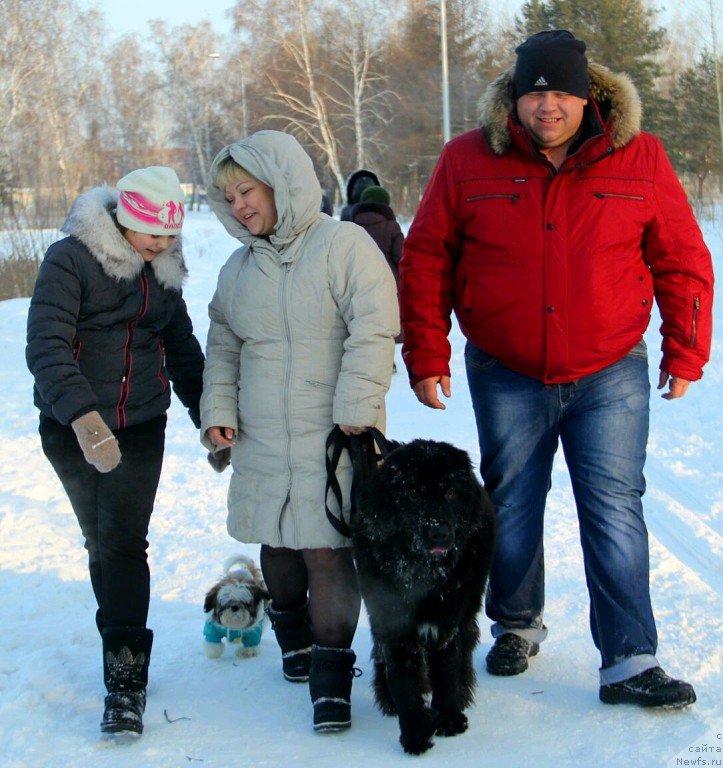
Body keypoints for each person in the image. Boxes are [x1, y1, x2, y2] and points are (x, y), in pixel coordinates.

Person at [399, 30, 713, 709]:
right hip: (506, 369)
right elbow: (426, 259)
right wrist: (425, 352)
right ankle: (514, 624)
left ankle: (629, 659)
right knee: (509, 503)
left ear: (588, 96)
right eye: (535, 90)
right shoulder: (466, 160)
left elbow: (682, 260)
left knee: (613, 508)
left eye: (563, 91)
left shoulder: (640, 158)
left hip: (609, 371)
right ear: (515, 97)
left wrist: (683, 349)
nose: (548, 104)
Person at [200, 130, 398, 732]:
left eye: (247, 190)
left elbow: (374, 324)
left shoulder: (345, 245)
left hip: (333, 429)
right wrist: (218, 411)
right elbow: (223, 342)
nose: (238, 205)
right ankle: (293, 641)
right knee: (278, 540)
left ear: (281, 185)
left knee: (327, 549)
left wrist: (358, 405)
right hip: (261, 431)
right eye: (228, 196)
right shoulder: (238, 269)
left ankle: (332, 679)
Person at [26, 166, 205, 736]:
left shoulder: (162, 271)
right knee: (100, 543)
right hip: (73, 426)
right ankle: (120, 643)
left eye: (169, 236)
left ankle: (125, 679)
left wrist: (210, 417)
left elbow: (180, 346)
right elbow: (46, 344)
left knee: (124, 542)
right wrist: (83, 418)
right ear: (124, 218)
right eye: (151, 233)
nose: (159, 245)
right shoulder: (70, 260)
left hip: (140, 425)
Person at [350, 185, 405, 349]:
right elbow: (402, 258)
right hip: (387, 282)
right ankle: (386, 357)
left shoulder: (350, 226)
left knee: (361, 319)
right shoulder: (391, 227)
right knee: (386, 321)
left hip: (357, 280)